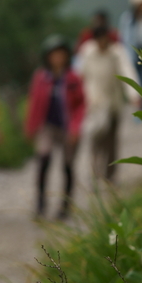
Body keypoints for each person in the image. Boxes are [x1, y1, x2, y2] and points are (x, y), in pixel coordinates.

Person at [24, 35, 85, 219]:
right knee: (43, 160)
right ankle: (41, 203)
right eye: (54, 55)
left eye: (61, 54)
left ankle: (65, 206)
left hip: (67, 127)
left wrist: (75, 129)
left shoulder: (72, 78)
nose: (57, 59)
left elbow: (80, 105)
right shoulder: (42, 78)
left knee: (67, 166)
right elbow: (34, 103)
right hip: (47, 126)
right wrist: (30, 127)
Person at [77, 25, 139, 181]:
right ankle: (95, 173)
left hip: (113, 104)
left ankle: (110, 176)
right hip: (94, 104)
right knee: (96, 140)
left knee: (111, 141)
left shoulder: (117, 53)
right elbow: (79, 75)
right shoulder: (87, 52)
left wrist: (134, 93)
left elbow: (127, 71)